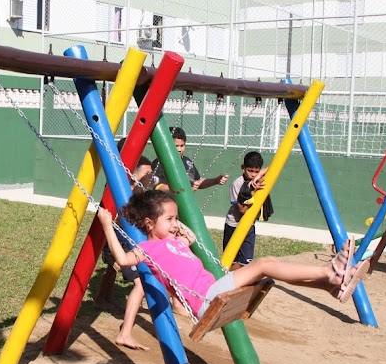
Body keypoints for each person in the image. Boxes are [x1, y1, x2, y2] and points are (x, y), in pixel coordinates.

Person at [96, 191, 369, 324]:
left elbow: (189, 239)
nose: (175, 223)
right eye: (169, 219)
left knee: (269, 261)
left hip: (212, 290)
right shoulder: (149, 250)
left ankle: (331, 286)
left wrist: (180, 229)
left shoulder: (176, 241)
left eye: (176, 218)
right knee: (263, 265)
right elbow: (121, 259)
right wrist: (108, 225)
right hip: (206, 299)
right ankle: (329, 272)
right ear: (148, 223)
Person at [96, 155, 156, 350]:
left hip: (130, 244)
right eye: (146, 173)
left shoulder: (140, 192)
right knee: (141, 285)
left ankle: (101, 299)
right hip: (120, 244)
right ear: (134, 173)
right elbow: (118, 211)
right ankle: (125, 333)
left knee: (126, 276)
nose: (150, 177)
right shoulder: (120, 190)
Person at [151, 127, 228, 193]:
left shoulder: (187, 162)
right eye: (176, 146)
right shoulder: (159, 163)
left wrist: (216, 180)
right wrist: (183, 190)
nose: (179, 149)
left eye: (182, 145)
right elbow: (159, 187)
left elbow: (198, 181)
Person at [223, 151, 265, 270]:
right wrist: (253, 191)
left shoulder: (259, 180)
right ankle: (223, 278)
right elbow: (242, 209)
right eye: (250, 171)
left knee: (246, 261)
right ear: (243, 168)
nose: (253, 175)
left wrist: (260, 175)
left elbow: (271, 168)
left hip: (248, 225)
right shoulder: (237, 184)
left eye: (256, 172)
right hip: (234, 225)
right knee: (230, 262)